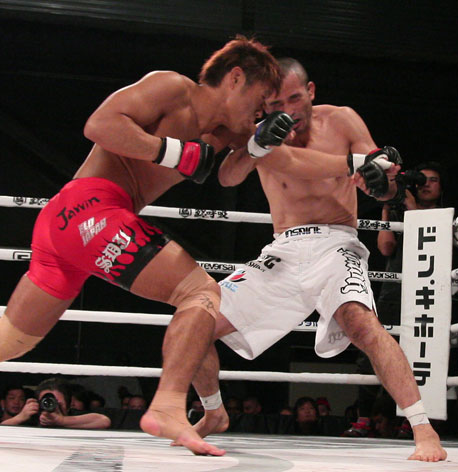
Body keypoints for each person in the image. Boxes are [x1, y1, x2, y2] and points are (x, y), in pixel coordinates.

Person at [0, 36, 282, 455]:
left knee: (12, 341)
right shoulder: (172, 88)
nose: (261, 112)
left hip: (72, 225)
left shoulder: (224, 133)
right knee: (200, 293)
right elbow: (99, 125)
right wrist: (170, 152)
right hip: (89, 208)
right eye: (260, 101)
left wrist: (260, 144)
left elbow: (228, 176)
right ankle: (167, 407)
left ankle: (206, 411)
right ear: (236, 78)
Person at [190, 58, 446, 461]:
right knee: (195, 320)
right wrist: (257, 144)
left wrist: (379, 183)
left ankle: (423, 429)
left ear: (310, 92)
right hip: (282, 249)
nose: (287, 110)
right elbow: (227, 177)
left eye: (295, 98)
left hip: (336, 242)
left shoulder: (342, 120)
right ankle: (213, 411)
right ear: (264, 104)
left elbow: (382, 182)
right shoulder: (259, 133)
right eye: (276, 104)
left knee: (362, 323)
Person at [345, 162, 446, 437]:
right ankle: (364, 417)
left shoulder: (444, 218)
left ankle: (412, 420)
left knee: (420, 352)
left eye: (433, 180)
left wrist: (410, 205)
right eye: (422, 179)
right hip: (394, 288)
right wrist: (387, 208)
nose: (426, 184)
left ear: (441, 188)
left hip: (427, 289)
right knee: (373, 347)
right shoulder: (399, 212)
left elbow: (428, 237)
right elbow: (386, 247)